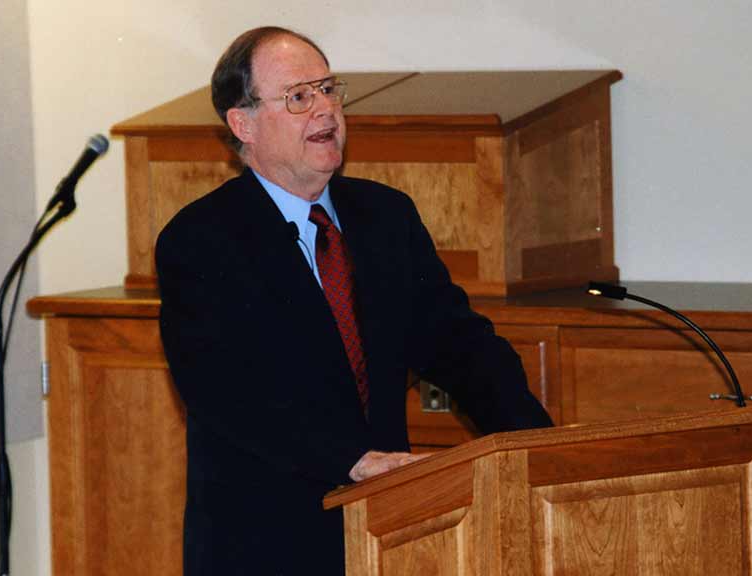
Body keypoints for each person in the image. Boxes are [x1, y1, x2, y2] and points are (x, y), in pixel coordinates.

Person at [155, 26, 553, 575]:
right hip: (264, 540)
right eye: (299, 96)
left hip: (385, 531)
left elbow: (461, 346)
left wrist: (537, 448)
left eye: (328, 89)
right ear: (242, 123)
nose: (325, 109)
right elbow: (225, 393)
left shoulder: (386, 217)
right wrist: (352, 460)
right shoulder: (200, 240)